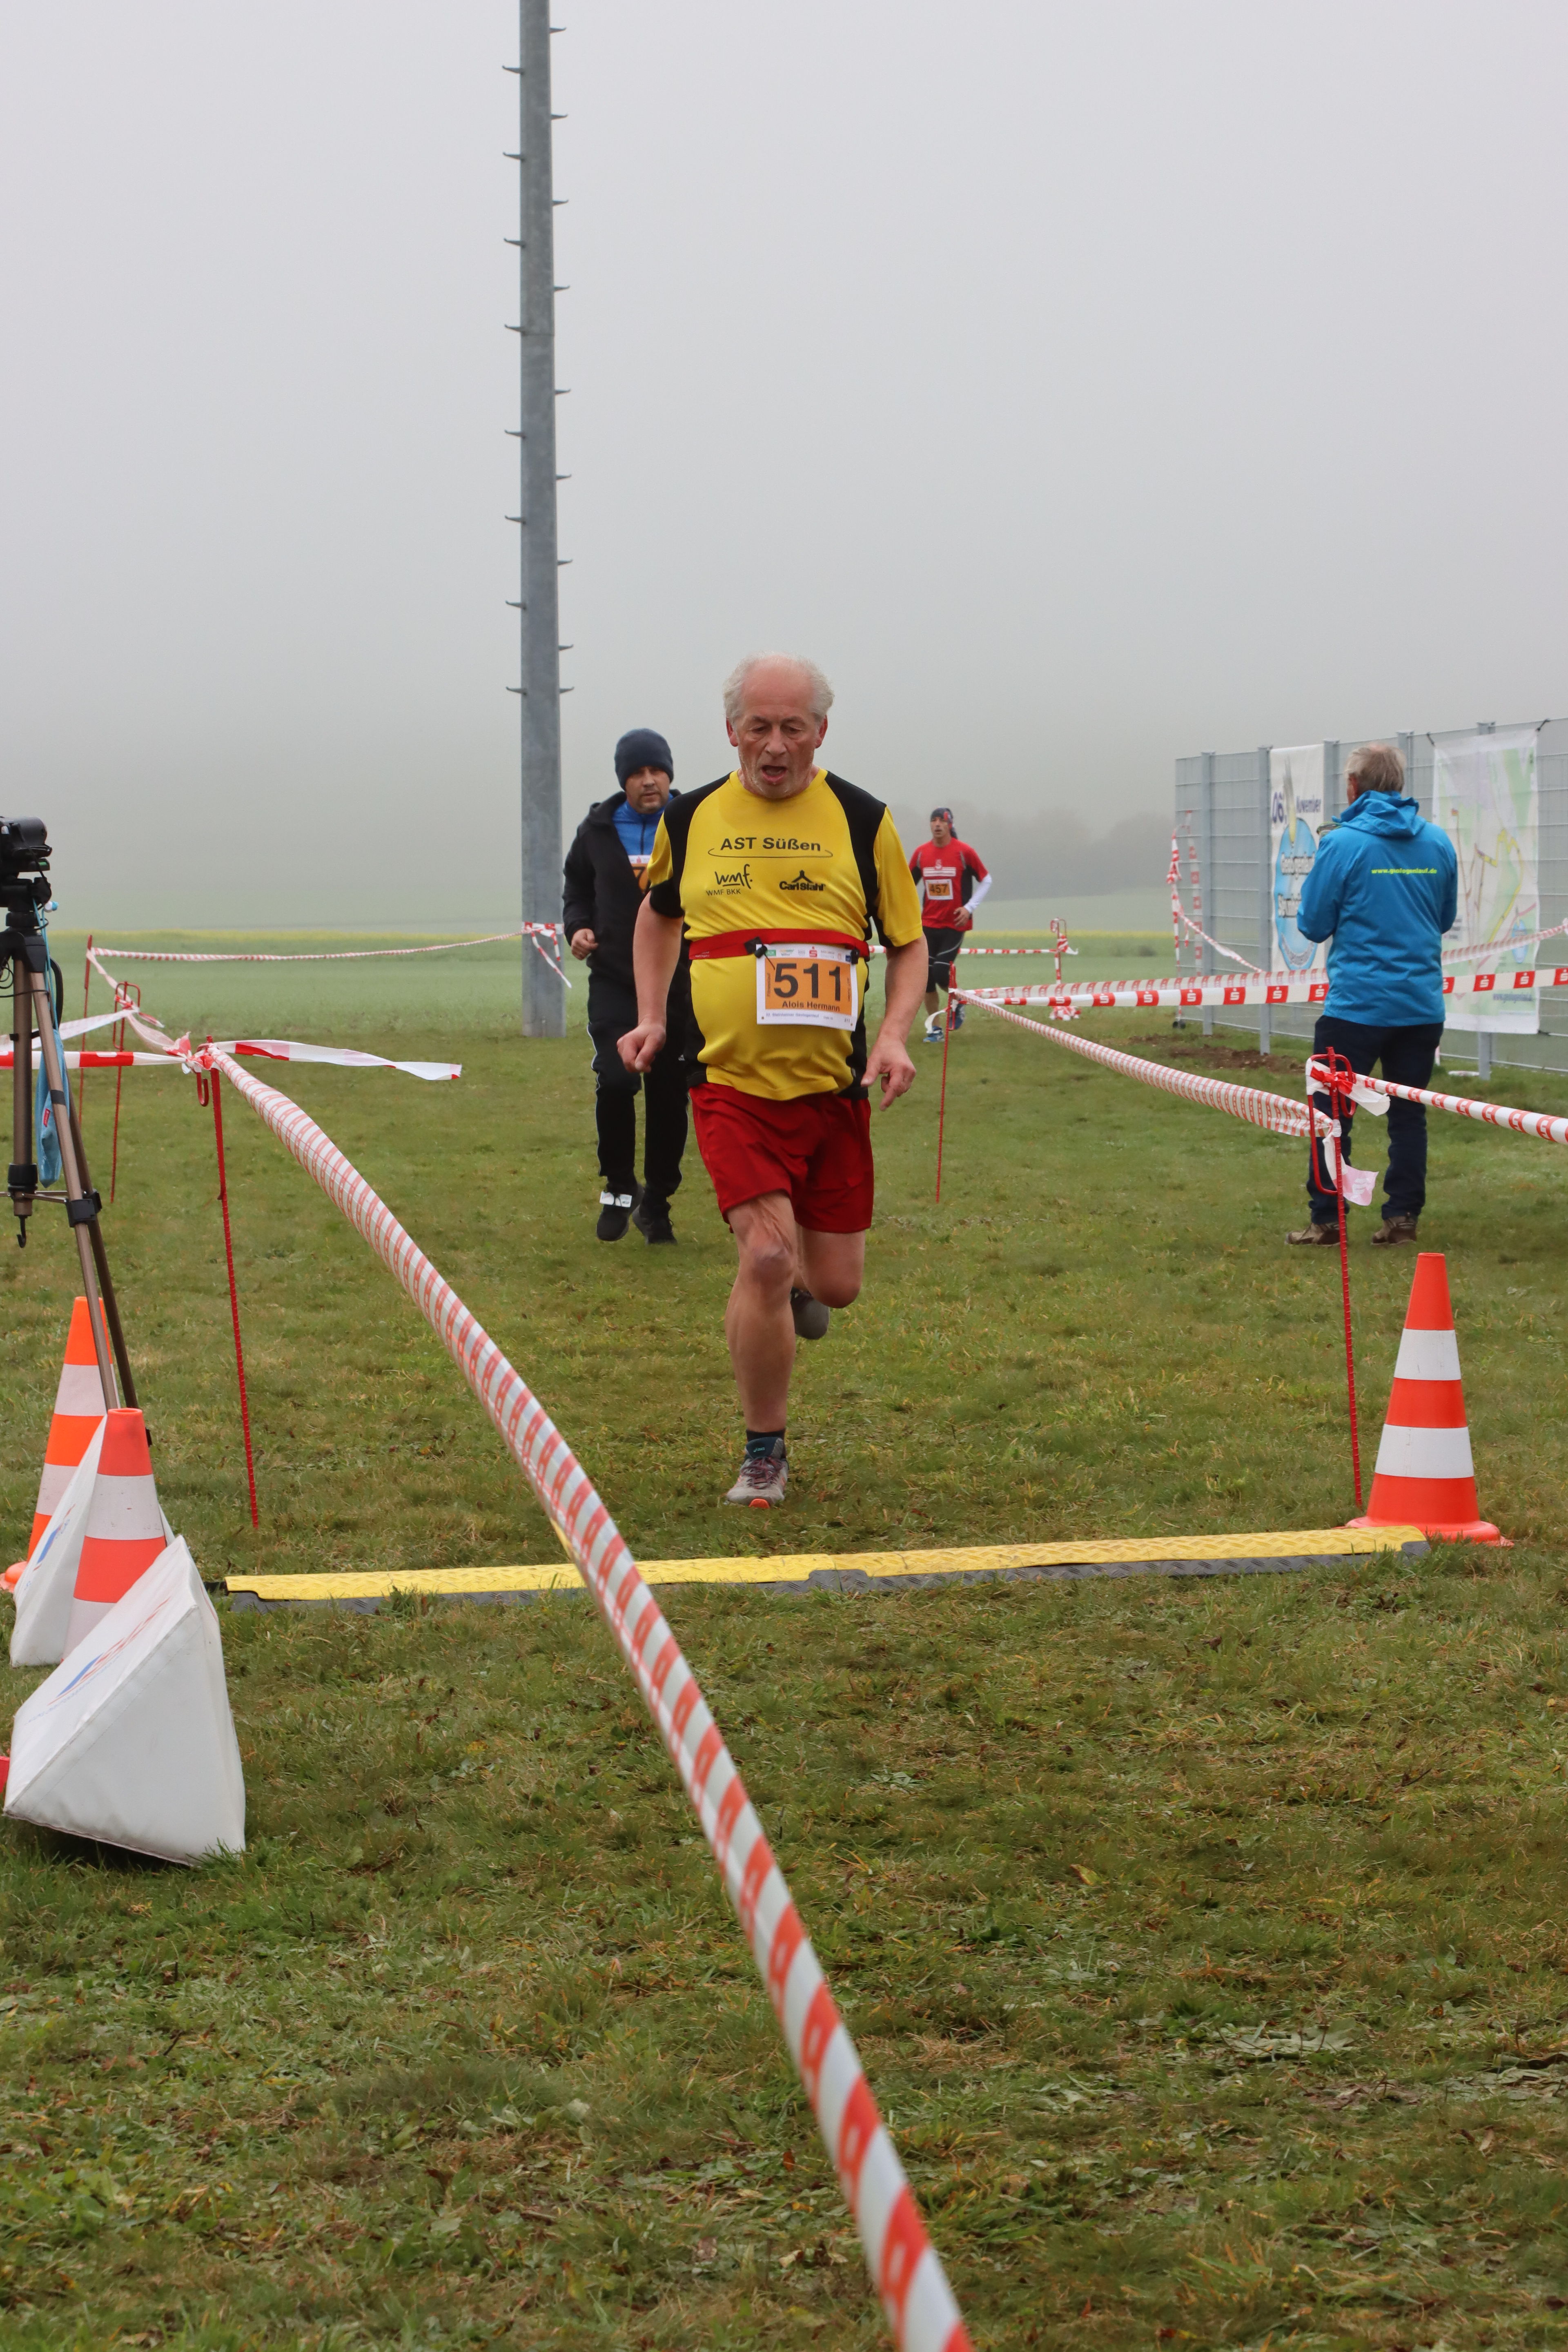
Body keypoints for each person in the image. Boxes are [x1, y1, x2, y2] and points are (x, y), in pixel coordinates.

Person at [618, 654, 928, 1506]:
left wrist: (893, 1036)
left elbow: (908, 944)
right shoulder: (692, 816)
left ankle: (795, 1289)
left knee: (835, 1285)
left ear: (821, 731)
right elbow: (658, 916)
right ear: (732, 732)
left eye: (794, 727)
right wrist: (652, 1016)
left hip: (831, 1092)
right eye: (759, 727)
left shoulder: (863, 820)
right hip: (729, 1085)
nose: (776, 745)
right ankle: (764, 1452)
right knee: (762, 1256)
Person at [1287, 741, 1458, 1248]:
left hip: (1356, 1009)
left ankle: (1327, 1220)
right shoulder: (1437, 842)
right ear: (1399, 785)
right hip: (1420, 1006)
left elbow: (1313, 925)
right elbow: (1443, 918)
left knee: (1331, 1116)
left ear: (1353, 786)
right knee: (1408, 1114)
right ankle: (1402, 1218)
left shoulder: (1342, 844)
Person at [562, 728, 691, 1245]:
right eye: (637, 773)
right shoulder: (596, 830)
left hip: (681, 983)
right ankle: (619, 1187)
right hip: (615, 980)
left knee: (669, 1094)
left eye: (656, 771)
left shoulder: (693, 824)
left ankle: (657, 1204)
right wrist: (578, 927)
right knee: (616, 1081)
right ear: (624, 780)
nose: (648, 781)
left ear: (669, 775)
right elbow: (577, 886)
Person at [909, 808, 991, 1042]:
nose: (937, 825)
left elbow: (987, 880)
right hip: (928, 924)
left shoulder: (964, 852)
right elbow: (906, 884)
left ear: (950, 825)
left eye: (942, 821)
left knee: (940, 971)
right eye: (933, 820)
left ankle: (959, 1001)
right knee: (926, 978)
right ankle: (935, 1030)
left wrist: (969, 908)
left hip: (954, 925)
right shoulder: (921, 853)